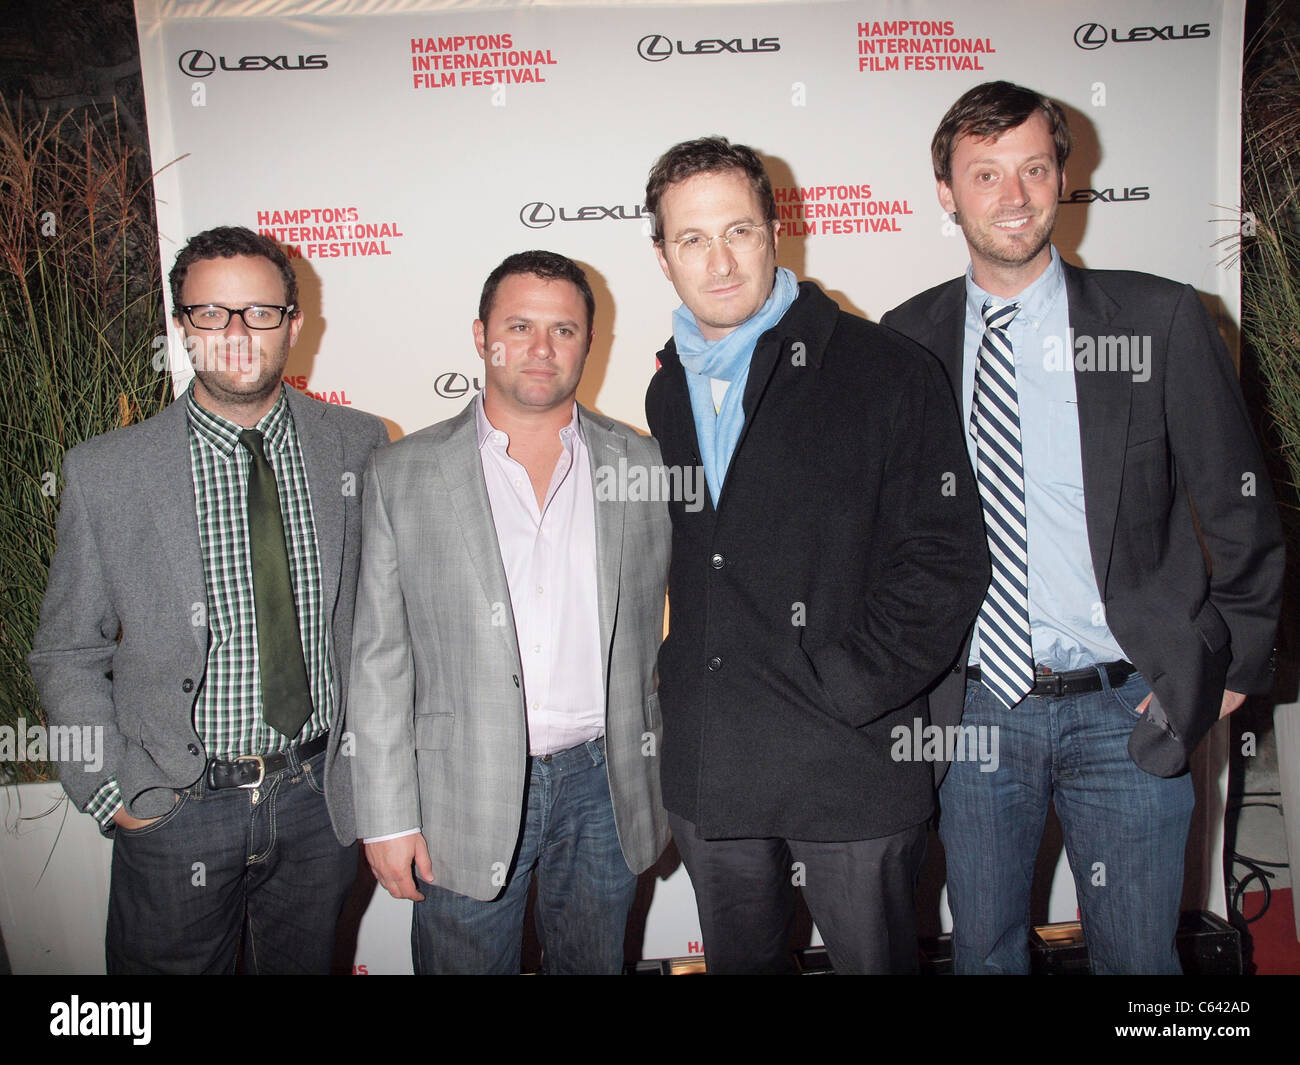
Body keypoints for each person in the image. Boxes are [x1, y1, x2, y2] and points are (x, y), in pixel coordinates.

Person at [881, 81, 1285, 974]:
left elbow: (1242, 505)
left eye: (1033, 167)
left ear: (1064, 176)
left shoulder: (1158, 318)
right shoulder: (906, 340)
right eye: (984, 173)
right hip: (977, 707)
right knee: (983, 954)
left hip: (1126, 703)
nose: (1013, 195)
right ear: (946, 191)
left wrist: (1232, 668)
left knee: (1142, 966)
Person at [642, 136, 989, 974]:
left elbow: (944, 558)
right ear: (662, 255)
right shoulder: (666, 386)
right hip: (713, 766)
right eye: (692, 239)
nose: (719, 261)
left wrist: (844, 684)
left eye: (739, 231)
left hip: (853, 763)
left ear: (776, 232)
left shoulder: (884, 368)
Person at [29, 225, 389, 973]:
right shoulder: (109, 472)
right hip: (175, 805)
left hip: (317, 798)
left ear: (294, 322)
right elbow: (68, 651)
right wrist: (110, 790)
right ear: (182, 325)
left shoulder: (357, 445)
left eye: (258, 312)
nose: (235, 333)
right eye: (211, 313)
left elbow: (382, 622)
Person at [349, 250, 670, 974]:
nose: (540, 348)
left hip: (606, 785)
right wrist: (388, 814)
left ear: (591, 341)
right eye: (519, 325)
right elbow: (378, 657)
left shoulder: (643, 466)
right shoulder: (403, 472)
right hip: (458, 791)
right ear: (480, 334)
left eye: (564, 329)